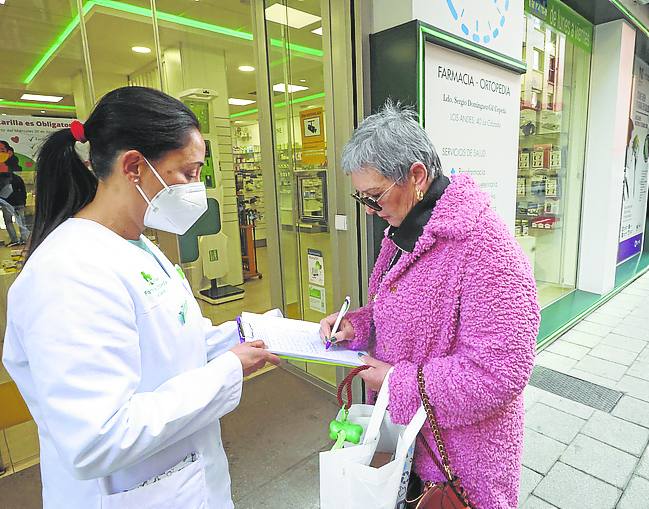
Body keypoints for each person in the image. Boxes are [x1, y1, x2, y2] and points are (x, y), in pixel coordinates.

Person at [2, 86, 279, 509]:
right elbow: (97, 439)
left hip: (184, 478)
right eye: (188, 173)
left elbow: (177, 342)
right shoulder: (67, 272)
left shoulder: (140, 246)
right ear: (134, 165)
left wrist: (264, 335)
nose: (196, 188)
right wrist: (226, 370)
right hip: (129, 493)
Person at [320, 101, 540, 509]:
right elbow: (402, 313)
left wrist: (395, 381)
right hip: (408, 445)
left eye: (375, 196)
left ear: (417, 176)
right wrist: (357, 324)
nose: (371, 211)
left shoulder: (486, 248)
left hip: (457, 463)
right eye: (362, 198)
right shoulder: (402, 231)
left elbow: (500, 373)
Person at [0, 170, 29, 246]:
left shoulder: (1, 179)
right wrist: (23, 201)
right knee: (22, 222)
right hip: (19, 203)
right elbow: (23, 190)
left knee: (8, 222)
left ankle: (14, 240)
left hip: (7, 204)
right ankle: (24, 239)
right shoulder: (18, 178)